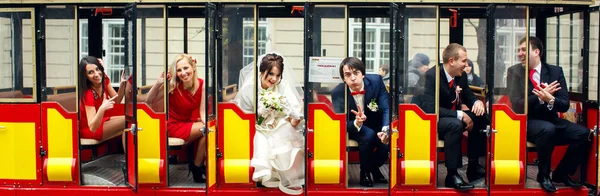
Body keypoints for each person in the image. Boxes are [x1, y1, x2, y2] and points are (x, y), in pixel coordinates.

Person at [506, 37, 590, 192]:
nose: (519, 53)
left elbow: (564, 104)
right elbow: (517, 103)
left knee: (584, 133)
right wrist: (539, 97)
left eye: (524, 49)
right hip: (528, 121)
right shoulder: (514, 72)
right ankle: (543, 175)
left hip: (551, 120)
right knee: (547, 129)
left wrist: (550, 99)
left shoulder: (555, 72)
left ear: (537, 52)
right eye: (518, 50)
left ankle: (561, 173)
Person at [233, 53, 305, 195]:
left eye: (278, 75)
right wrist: (262, 113)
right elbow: (243, 115)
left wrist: (291, 112)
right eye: (271, 74)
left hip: (280, 122)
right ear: (262, 71)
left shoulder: (282, 85)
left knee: (284, 133)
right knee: (262, 139)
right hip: (256, 125)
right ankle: (265, 178)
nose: (274, 79)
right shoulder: (250, 88)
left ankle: (284, 179)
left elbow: (295, 112)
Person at [422, 43, 487, 191]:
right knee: (455, 125)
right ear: (451, 61)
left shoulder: (460, 75)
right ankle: (452, 175)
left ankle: (473, 165)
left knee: (480, 116)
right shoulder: (432, 76)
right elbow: (430, 109)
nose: (466, 65)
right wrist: (461, 115)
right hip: (431, 119)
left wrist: (477, 102)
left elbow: (468, 95)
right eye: (463, 61)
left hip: (451, 116)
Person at [146, 54, 207, 183]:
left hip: (186, 123)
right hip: (172, 126)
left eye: (186, 68)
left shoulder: (202, 84)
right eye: (179, 70)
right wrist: (158, 84)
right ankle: (197, 167)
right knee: (205, 129)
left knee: (209, 130)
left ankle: (197, 166)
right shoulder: (173, 85)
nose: (183, 73)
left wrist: (208, 124)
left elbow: (202, 111)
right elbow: (149, 100)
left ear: (193, 67)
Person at [331, 57, 390, 187]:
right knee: (367, 134)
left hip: (375, 123)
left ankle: (372, 168)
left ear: (363, 74)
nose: (353, 78)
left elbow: (386, 108)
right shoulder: (338, 93)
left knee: (387, 141)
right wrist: (356, 123)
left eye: (356, 73)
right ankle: (364, 173)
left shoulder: (376, 82)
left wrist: (386, 129)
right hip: (354, 127)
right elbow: (340, 123)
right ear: (344, 79)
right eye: (348, 75)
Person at [78, 56, 126, 146]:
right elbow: (92, 127)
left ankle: (129, 156)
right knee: (128, 121)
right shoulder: (88, 94)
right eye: (90, 72)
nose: (96, 74)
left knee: (130, 119)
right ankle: (130, 158)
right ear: (86, 76)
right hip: (89, 129)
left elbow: (116, 101)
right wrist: (102, 109)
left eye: (97, 69)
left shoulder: (104, 81)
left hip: (101, 122)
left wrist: (122, 86)